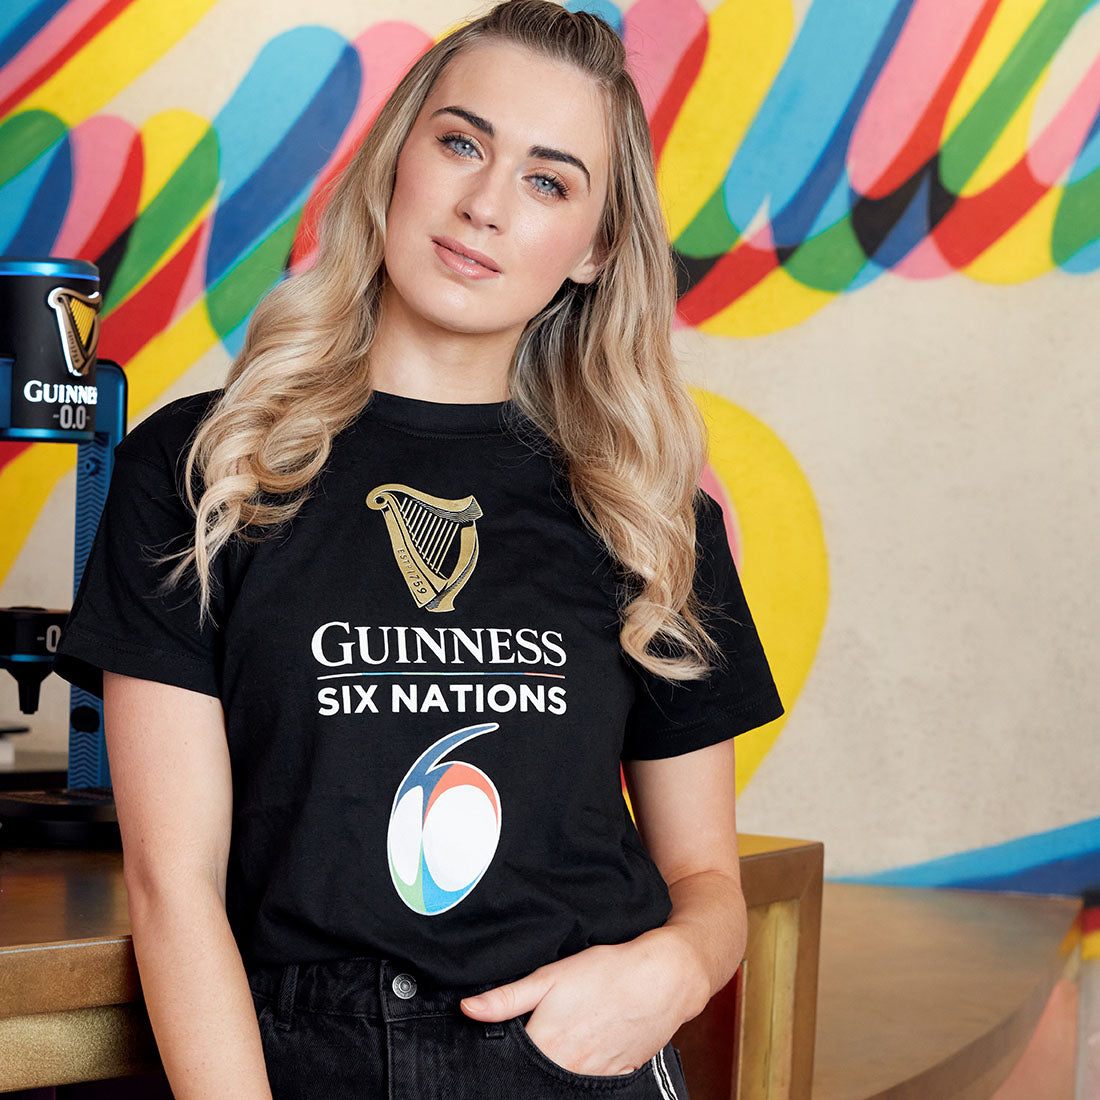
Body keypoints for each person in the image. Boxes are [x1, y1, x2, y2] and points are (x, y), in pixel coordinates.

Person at [53, 1, 784, 1097]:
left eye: (548, 180)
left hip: (570, 1052)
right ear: (398, 157)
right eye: (460, 142)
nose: (484, 205)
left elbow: (706, 883)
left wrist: (670, 970)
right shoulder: (204, 465)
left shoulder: (645, 510)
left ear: (592, 250)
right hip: (293, 1055)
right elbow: (172, 885)